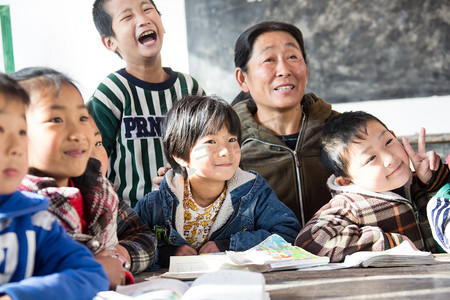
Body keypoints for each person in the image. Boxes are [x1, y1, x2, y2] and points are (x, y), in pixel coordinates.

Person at [135, 95, 301, 268]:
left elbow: (288, 232)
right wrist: (167, 255)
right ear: (180, 156)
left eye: (231, 140)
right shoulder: (155, 205)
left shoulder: (254, 193)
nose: (225, 151)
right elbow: (130, 243)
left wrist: (229, 246)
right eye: (211, 141)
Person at [10, 67, 127, 289]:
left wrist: (113, 268)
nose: (77, 132)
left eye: (82, 117)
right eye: (56, 119)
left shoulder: (100, 193)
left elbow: (110, 259)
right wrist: (95, 273)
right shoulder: (19, 209)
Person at [88, 0, 205, 208]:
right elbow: (92, 164)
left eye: (148, 9)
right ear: (110, 42)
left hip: (186, 214)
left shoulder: (189, 87)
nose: (143, 20)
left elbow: (209, 148)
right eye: (127, 16)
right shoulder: (112, 91)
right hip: (129, 219)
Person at [294, 111, 450, 262]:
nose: (390, 158)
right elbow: (309, 242)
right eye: (371, 159)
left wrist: (432, 179)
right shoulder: (349, 204)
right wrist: (386, 242)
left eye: (388, 142)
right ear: (347, 181)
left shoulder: (420, 182)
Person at [233, 21, 339, 226]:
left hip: (338, 255)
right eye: (269, 60)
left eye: (292, 57)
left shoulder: (343, 131)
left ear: (305, 68)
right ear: (242, 79)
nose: (283, 70)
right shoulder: (228, 144)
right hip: (261, 257)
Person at [89, 116, 158, 274]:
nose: (95, 157)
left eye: (98, 143)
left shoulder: (105, 195)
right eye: (81, 146)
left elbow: (145, 237)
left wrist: (126, 254)